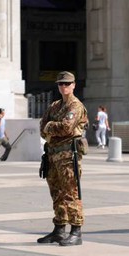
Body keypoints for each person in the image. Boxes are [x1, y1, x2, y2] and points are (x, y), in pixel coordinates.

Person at [38, 71, 88, 246]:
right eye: (61, 84)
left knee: (70, 193)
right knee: (56, 193)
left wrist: (50, 126)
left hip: (68, 156)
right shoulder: (55, 105)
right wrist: (50, 127)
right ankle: (59, 229)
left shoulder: (76, 106)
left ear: (74, 85)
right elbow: (41, 126)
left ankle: (76, 230)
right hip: (52, 155)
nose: (64, 87)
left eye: (67, 84)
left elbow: (66, 127)